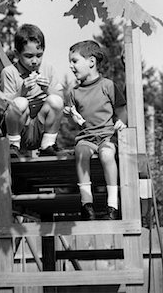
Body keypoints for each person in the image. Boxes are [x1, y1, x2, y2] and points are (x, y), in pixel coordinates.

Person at [67, 40, 127, 220]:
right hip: (87, 137)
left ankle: (112, 205)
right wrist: (73, 116)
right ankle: (87, 203)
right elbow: (76, 118)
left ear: (91, 62)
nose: (71, 66)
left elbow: (122, 110)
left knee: (107, 155)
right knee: (80, 152)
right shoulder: (74, 92)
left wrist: (122, 122)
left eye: (75, 61)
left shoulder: (107, 85)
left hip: (106, 136)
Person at [1, 24, 64, 157]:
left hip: (41, 128)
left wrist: (47, 89)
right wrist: (21, 91)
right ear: (17, 54)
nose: (35, 61)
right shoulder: (9, 72)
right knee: (20, 102)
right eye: (29, 56)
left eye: (39, 55)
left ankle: (48, 145)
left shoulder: (48, 69)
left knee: (55, 100)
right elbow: (5, 105)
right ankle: (13, 145)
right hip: (19, 128)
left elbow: (61, 100)